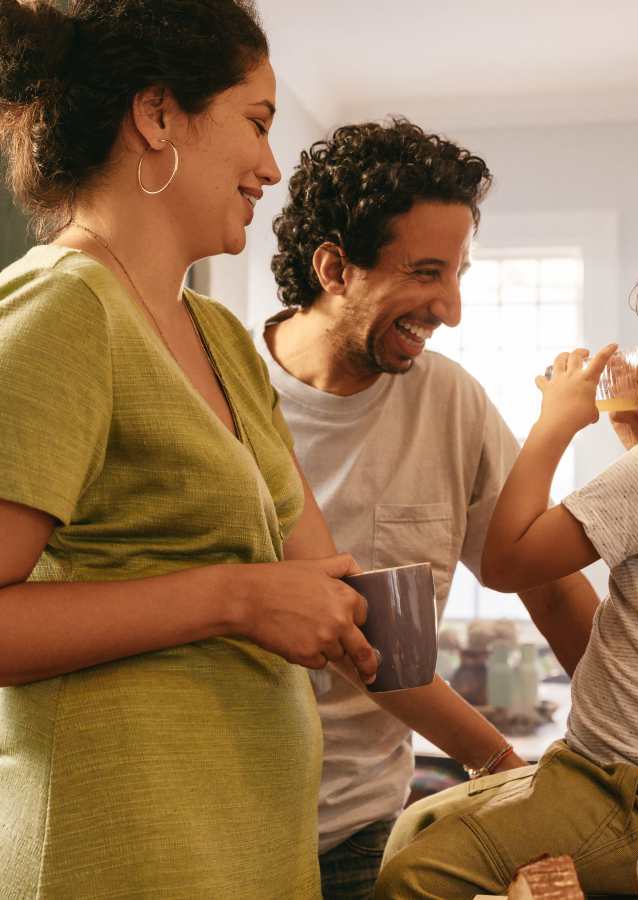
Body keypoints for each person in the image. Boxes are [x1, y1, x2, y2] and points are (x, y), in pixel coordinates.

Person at [0, 2, 385, 897]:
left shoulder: (219, 335)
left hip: (245, 844)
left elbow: (313, 571)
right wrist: (234, 599)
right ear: (159, 113)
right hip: (121, 848)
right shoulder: (63, 310)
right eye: (256, 123)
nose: (272, 167)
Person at [375, 223, 638, 898]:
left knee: (414, 871)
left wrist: (554, 422)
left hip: (635, 793)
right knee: (421, 821)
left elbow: (509, 561)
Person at [264, 118, 599, 898]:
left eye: (458, 274)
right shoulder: (227, 391)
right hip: (226, 819)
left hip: (363, 829)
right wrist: (502, 766)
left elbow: (547, 583)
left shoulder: (451, 401)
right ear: (334, 267)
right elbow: (362, 639)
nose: (449, 307)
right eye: (423, 272)